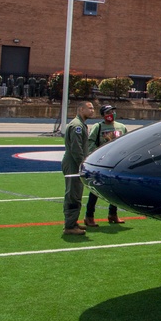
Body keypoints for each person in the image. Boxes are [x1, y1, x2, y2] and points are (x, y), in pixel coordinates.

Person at [84, 104, 128, 227]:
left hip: (116, 163)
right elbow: (91, 142)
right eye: (108, 112)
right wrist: (96, 155)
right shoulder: (98, 127)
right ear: (103, 115)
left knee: (115, 189)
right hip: (101, 164)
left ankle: (113, 214)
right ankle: (89, 216)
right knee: (95, 190)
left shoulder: (121, 127)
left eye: (113, 111)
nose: (111, 114)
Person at [61, 101, 95, 235]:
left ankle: (73, 221)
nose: (92, 110)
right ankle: (69, 225)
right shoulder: (77, 126)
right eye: (90, 108)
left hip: (74, 162)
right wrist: (83, 164)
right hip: (73, 163)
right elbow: (76, 148)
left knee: (76, 192)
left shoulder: (80, 125)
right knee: (73, 194)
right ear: (81, 109)